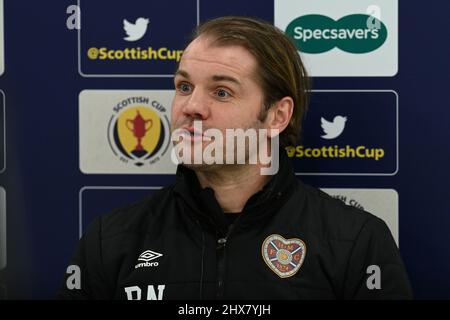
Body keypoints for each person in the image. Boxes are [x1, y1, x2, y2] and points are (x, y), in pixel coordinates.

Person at [59, 16, 412, 300]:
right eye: (184, 86)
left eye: (222, 91)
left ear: (277, 116)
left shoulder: (356, 242)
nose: (191, 107)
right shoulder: (112, 239)